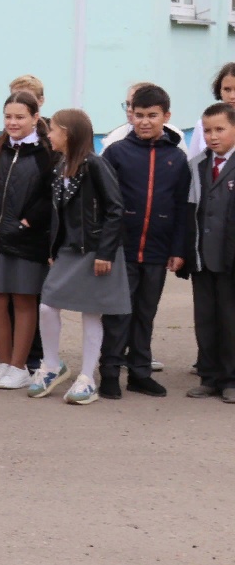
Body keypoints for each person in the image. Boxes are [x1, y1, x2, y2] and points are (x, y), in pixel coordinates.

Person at [29, 109, 130, 404]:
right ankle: (51, 365)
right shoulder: (61, 165)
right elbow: (59, 214)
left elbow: (115, 209)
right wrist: (54, 250)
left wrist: (106, 252)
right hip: (70, 251)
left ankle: (87, 378)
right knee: (47, 305)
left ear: (69, 134)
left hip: (96, 251)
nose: (49, 135)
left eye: (54, 130)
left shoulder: (96, 165)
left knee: (91, 312)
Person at [99, 83, 190, 399]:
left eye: (152, 115)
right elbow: (103, 203)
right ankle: (109, 373)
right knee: (118, 314)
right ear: (130, 115)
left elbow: (182, 207)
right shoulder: (117, 152)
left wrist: (179, 249)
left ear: (166, 116)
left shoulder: (177, 158)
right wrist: (105, 248)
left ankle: (139, 373)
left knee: (145, 313)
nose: (145, 121)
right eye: (139, 115)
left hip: (157, 249)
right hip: (122, 248)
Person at [0, 91, 53, 391]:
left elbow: (51, 195)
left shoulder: (47, 153)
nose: (13, 122)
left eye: (20, 117)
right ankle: (4, 362)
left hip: (27, 240)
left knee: (23, 299)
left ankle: (20, 366)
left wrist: (29, 221)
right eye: (8, 116)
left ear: (35, 118)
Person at [182, 102, 235, 402]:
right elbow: (190, 210)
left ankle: (231, 378)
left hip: (230, 259)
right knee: (205, 319)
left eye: (220, 129)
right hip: (203, 257)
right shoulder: (198, 165)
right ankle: (209, 375)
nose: (213, 136)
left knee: (230, 320)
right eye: (207, 131)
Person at [183, 63, 235, 161]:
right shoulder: (203, 125)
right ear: (219, 90)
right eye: (227, 89)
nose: (232, 96)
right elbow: (193, 165)